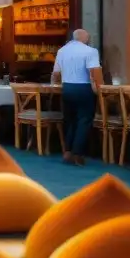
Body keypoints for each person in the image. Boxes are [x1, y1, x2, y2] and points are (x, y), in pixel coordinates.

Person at [52, 28, 103, 166]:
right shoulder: (90, 51)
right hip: (83, 88)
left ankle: (67, 152)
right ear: (85, 39)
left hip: (67, 88)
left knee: (70, 120)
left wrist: (55, 85)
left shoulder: (62, 51)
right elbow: (94, 72)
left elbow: (56, 74)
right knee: (84, 120)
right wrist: (100, 88)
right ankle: (77, 153)